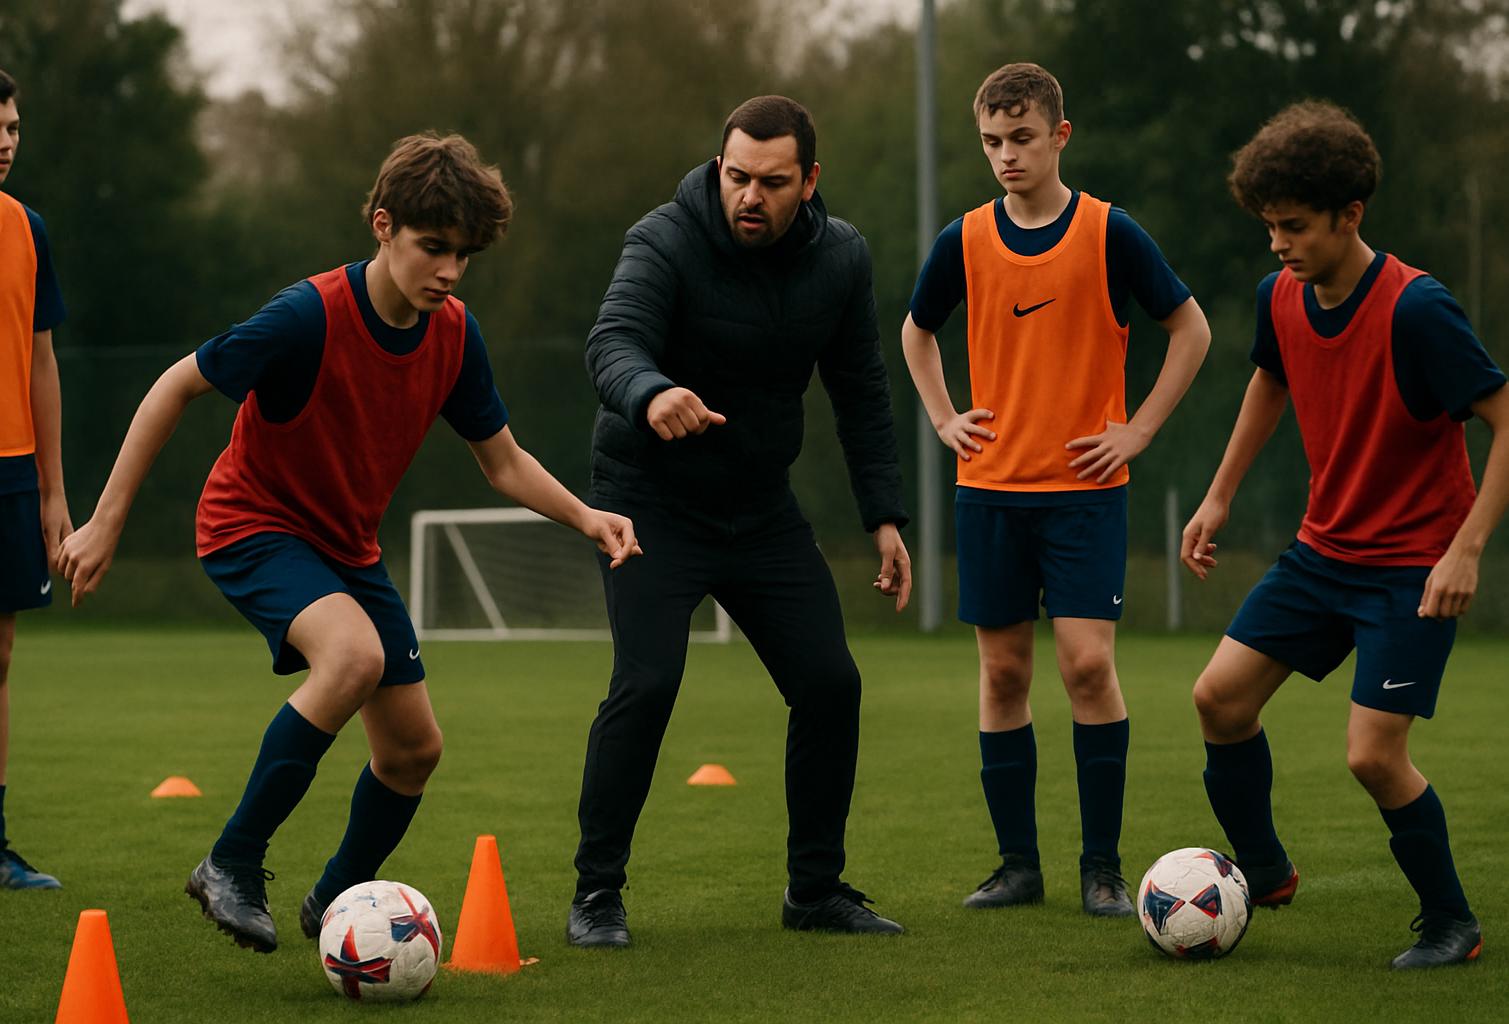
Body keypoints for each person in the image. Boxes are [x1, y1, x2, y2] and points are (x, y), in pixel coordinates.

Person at [58, 133, 639, 953]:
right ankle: (231, 860)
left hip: (346, 548)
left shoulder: (453, 334)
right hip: (251, 524)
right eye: (432, 248)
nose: (447, 270)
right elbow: (175, 386)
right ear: (382, 225)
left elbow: (502, 461)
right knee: (354, 658)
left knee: (412, 751)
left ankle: (334, 904)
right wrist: (106, 518)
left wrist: (588, 516)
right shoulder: (306, 317)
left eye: (463, 256)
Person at [568, 95, 911, 947]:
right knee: (647, 683)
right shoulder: (664, 239)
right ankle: (597, 895)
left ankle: (815, 891)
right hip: (649, 502)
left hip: (759, 510)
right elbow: (612, 341)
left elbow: (863, 392)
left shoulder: (841, 259)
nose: (749, 196)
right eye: (736, 176)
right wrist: (653, 393)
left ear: (810, 182)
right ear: (718, 168)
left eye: (772, 181)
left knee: (832, 684)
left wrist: (885, 517)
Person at [1181, 101, 1507, 969]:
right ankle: (1265, 871)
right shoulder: (1279, 293)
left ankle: (1452, 924)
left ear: (1350, 214)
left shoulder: (1418, 309)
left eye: (1294, 227)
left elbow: (1506, 419)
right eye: (1269, 227)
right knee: (1219, 699)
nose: (1278, 244)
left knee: (1372, 754)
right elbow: (1268, 380)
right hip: (1323, 553)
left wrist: (1465, 549)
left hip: (1410, 568)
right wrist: (1217, 498)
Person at [902, 63, 1210, 917]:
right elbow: (916, 331)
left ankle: (1103, 868)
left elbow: (1191, 329)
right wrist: (943, 420)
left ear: (1059, 136)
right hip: (990, 491)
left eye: (1022, 138)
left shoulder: (1111, 233)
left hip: (1083, 493)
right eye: (993, 142)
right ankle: (1017, 868)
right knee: (1002, 677)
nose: (1006, 155)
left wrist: (1138, 429)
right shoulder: (963, 238)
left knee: (1086, 665)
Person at [0, 55, 71, 891]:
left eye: (10, 127)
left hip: (4, 474)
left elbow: (42, 362)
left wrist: (53, 493)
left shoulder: (27, 228)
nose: (5, 143)